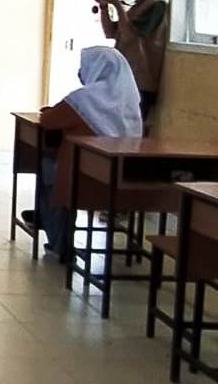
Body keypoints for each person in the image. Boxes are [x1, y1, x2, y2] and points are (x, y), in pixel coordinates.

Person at [30, 46, 143, 257]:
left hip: (82, 179)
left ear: (96, 67)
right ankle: (46, 221)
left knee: (46, 166)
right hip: (121, 180)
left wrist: (51, 111)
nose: (81, 72)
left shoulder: (85, 98)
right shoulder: (131, 100)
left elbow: (48, 119)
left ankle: (57, 240)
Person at [97, 0, 168, 124]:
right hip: (123, 79)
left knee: (128, 135)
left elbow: (130, 37)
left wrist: (116, 4)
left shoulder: (156, 6)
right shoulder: (136, 8)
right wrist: (104, 6)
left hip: (140, 84)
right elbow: (110, 33)